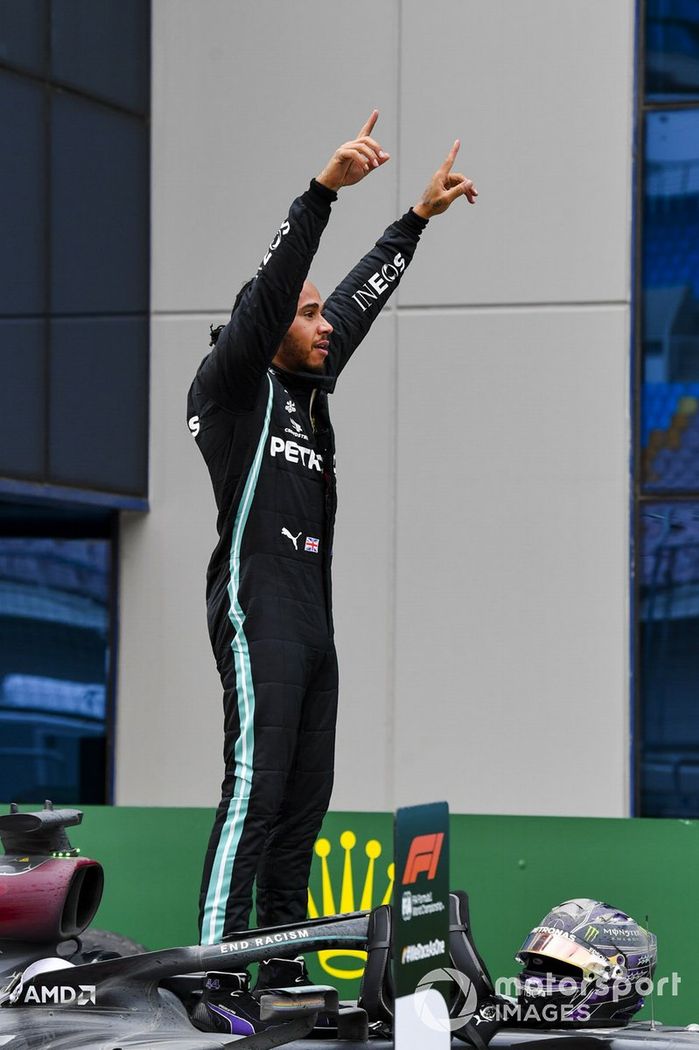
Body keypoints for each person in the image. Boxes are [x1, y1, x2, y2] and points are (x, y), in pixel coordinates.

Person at [187, 111, 477, 961]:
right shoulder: (233, 387)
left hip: (313, 620)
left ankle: (274, 964)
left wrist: (415, 219)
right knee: (255, 790)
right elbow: (282, 288)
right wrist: (320, 194)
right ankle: (213, 972)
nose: (324, 325)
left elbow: (356, 297)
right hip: (256, 609)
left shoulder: (309, 384)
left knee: (303, 806)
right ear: (268, 324)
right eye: (308, 316)